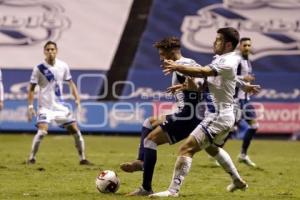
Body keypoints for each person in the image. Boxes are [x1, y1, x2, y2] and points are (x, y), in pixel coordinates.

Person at [150, 27, 255, 197]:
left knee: (186, 149)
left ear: (228, 44)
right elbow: (213, 80)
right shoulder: (225, 59)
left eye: (219, 40)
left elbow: (202, 72)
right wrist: (244, 84)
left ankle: (172, 191)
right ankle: (237, 180)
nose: (215, 42)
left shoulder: (226, 61)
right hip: (225, 115)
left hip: (218, 116)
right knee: (212, 148)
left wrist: (177, 66)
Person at [120, 37, 205, 196]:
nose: (160, 58)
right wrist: (183, 85)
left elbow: (198, 86)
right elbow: (203, 83)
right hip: (189, 112)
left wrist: (185, 82)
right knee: (149, 122)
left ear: (172, 52)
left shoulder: (182, 66)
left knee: (150, 140)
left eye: (162, 54)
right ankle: (142, 161)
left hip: (188, 115)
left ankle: (146, 188)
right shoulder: (189, 62)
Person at [26, 41, 92, 165]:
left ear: (57, 51)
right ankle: (31, 158)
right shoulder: (39, 68)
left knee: (75, 130)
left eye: (53, 49)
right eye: (48, 50)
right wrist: (30, 106)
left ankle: (83, 158)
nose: (50, 52)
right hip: (45, 107)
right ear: (44, 51)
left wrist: (77, 98)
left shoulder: (63, 66)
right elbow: (31, 88)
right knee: (42, 132)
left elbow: (71, 83)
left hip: (59, 107)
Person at [234, 37, 259, 167]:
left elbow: (246, 80)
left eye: (249, 45)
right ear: (240, 46)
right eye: (245, 45)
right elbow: (227, 76)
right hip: (236, 99)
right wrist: (244, 78)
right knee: (227, 129)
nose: (247, 47)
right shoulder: (236, 60)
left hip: (245, 99)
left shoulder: (247, 60)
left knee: (254, 126)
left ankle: (243, 155)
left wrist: (249, 86)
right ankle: (213, 151)